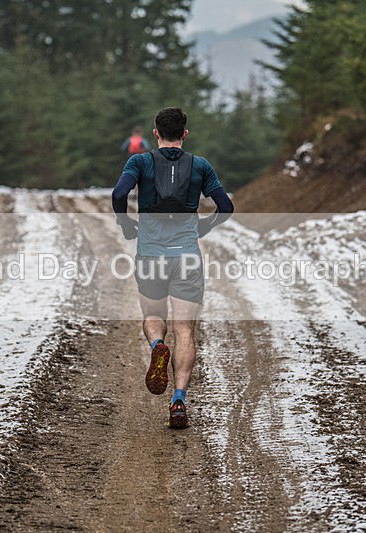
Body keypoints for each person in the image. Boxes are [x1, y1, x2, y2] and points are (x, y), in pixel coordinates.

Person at [111, 107, 234, 429]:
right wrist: (203, 228)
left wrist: (126, 225)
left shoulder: (139, 161)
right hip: (188, 258)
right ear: (185, 133)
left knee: (153, 317)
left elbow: (120, 193)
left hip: (151, 255)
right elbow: (226, 206)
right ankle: (178, 399)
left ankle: (156, 346)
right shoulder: (201, 166)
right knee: (185, 331)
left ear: (155, 133)